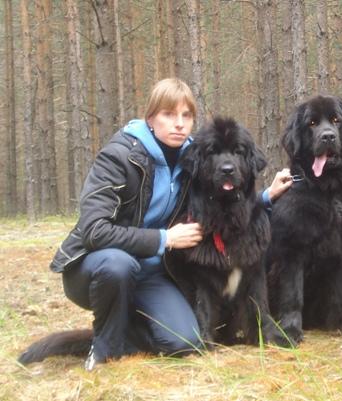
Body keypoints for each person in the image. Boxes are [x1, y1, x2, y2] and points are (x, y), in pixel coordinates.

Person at [51, 78, 292, 370]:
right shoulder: (118, 157)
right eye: (168, 114)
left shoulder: (192, 157)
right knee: (119, 264)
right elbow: (94, 231)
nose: (178, 124)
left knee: (184, 342)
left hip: (152, 273)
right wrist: (165, 239)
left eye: (186, 116)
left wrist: (266, 197)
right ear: (150, 117)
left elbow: (224, 196)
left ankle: (128, 331)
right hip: (95, 268)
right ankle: (103, 349)